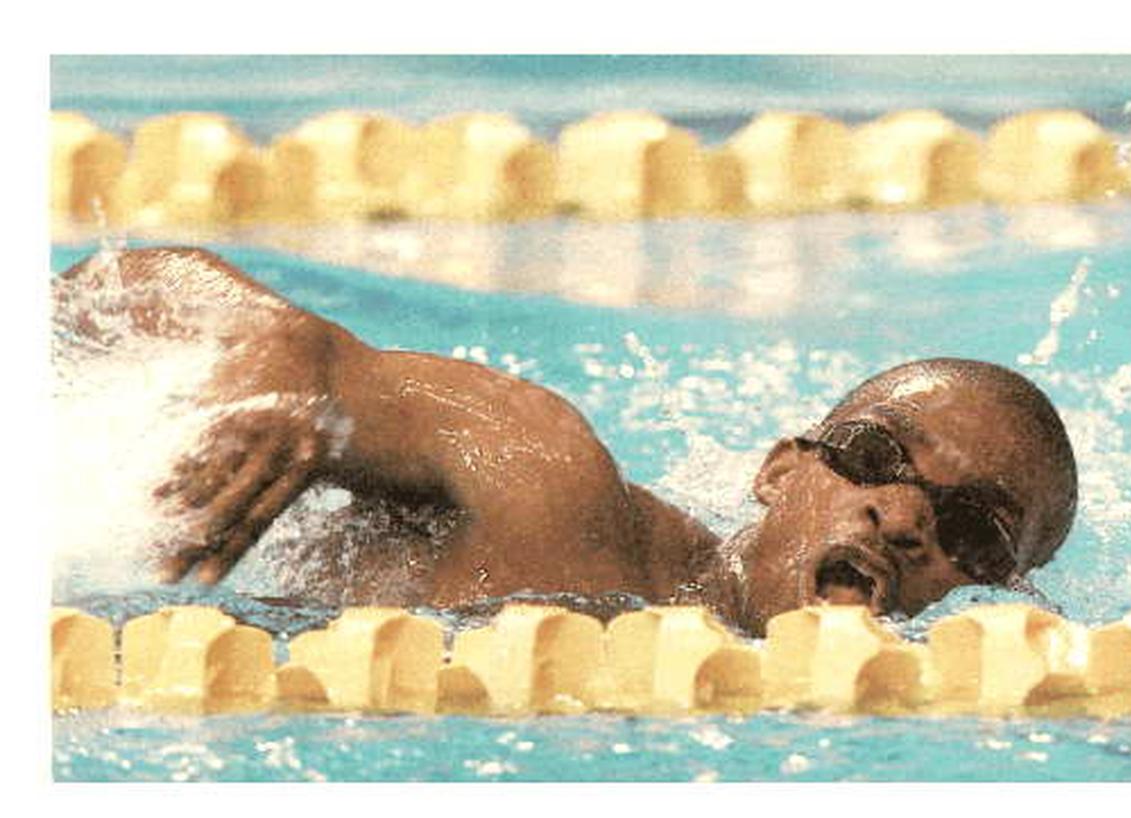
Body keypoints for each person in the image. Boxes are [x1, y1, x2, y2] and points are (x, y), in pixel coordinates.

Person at [55, 246, 1077, 635]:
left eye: (973, 533)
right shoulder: (543, 477)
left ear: (996, 595)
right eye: (877, 456)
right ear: (779, 471)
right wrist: (281, 359)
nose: (901, 517)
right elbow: (116, 285)